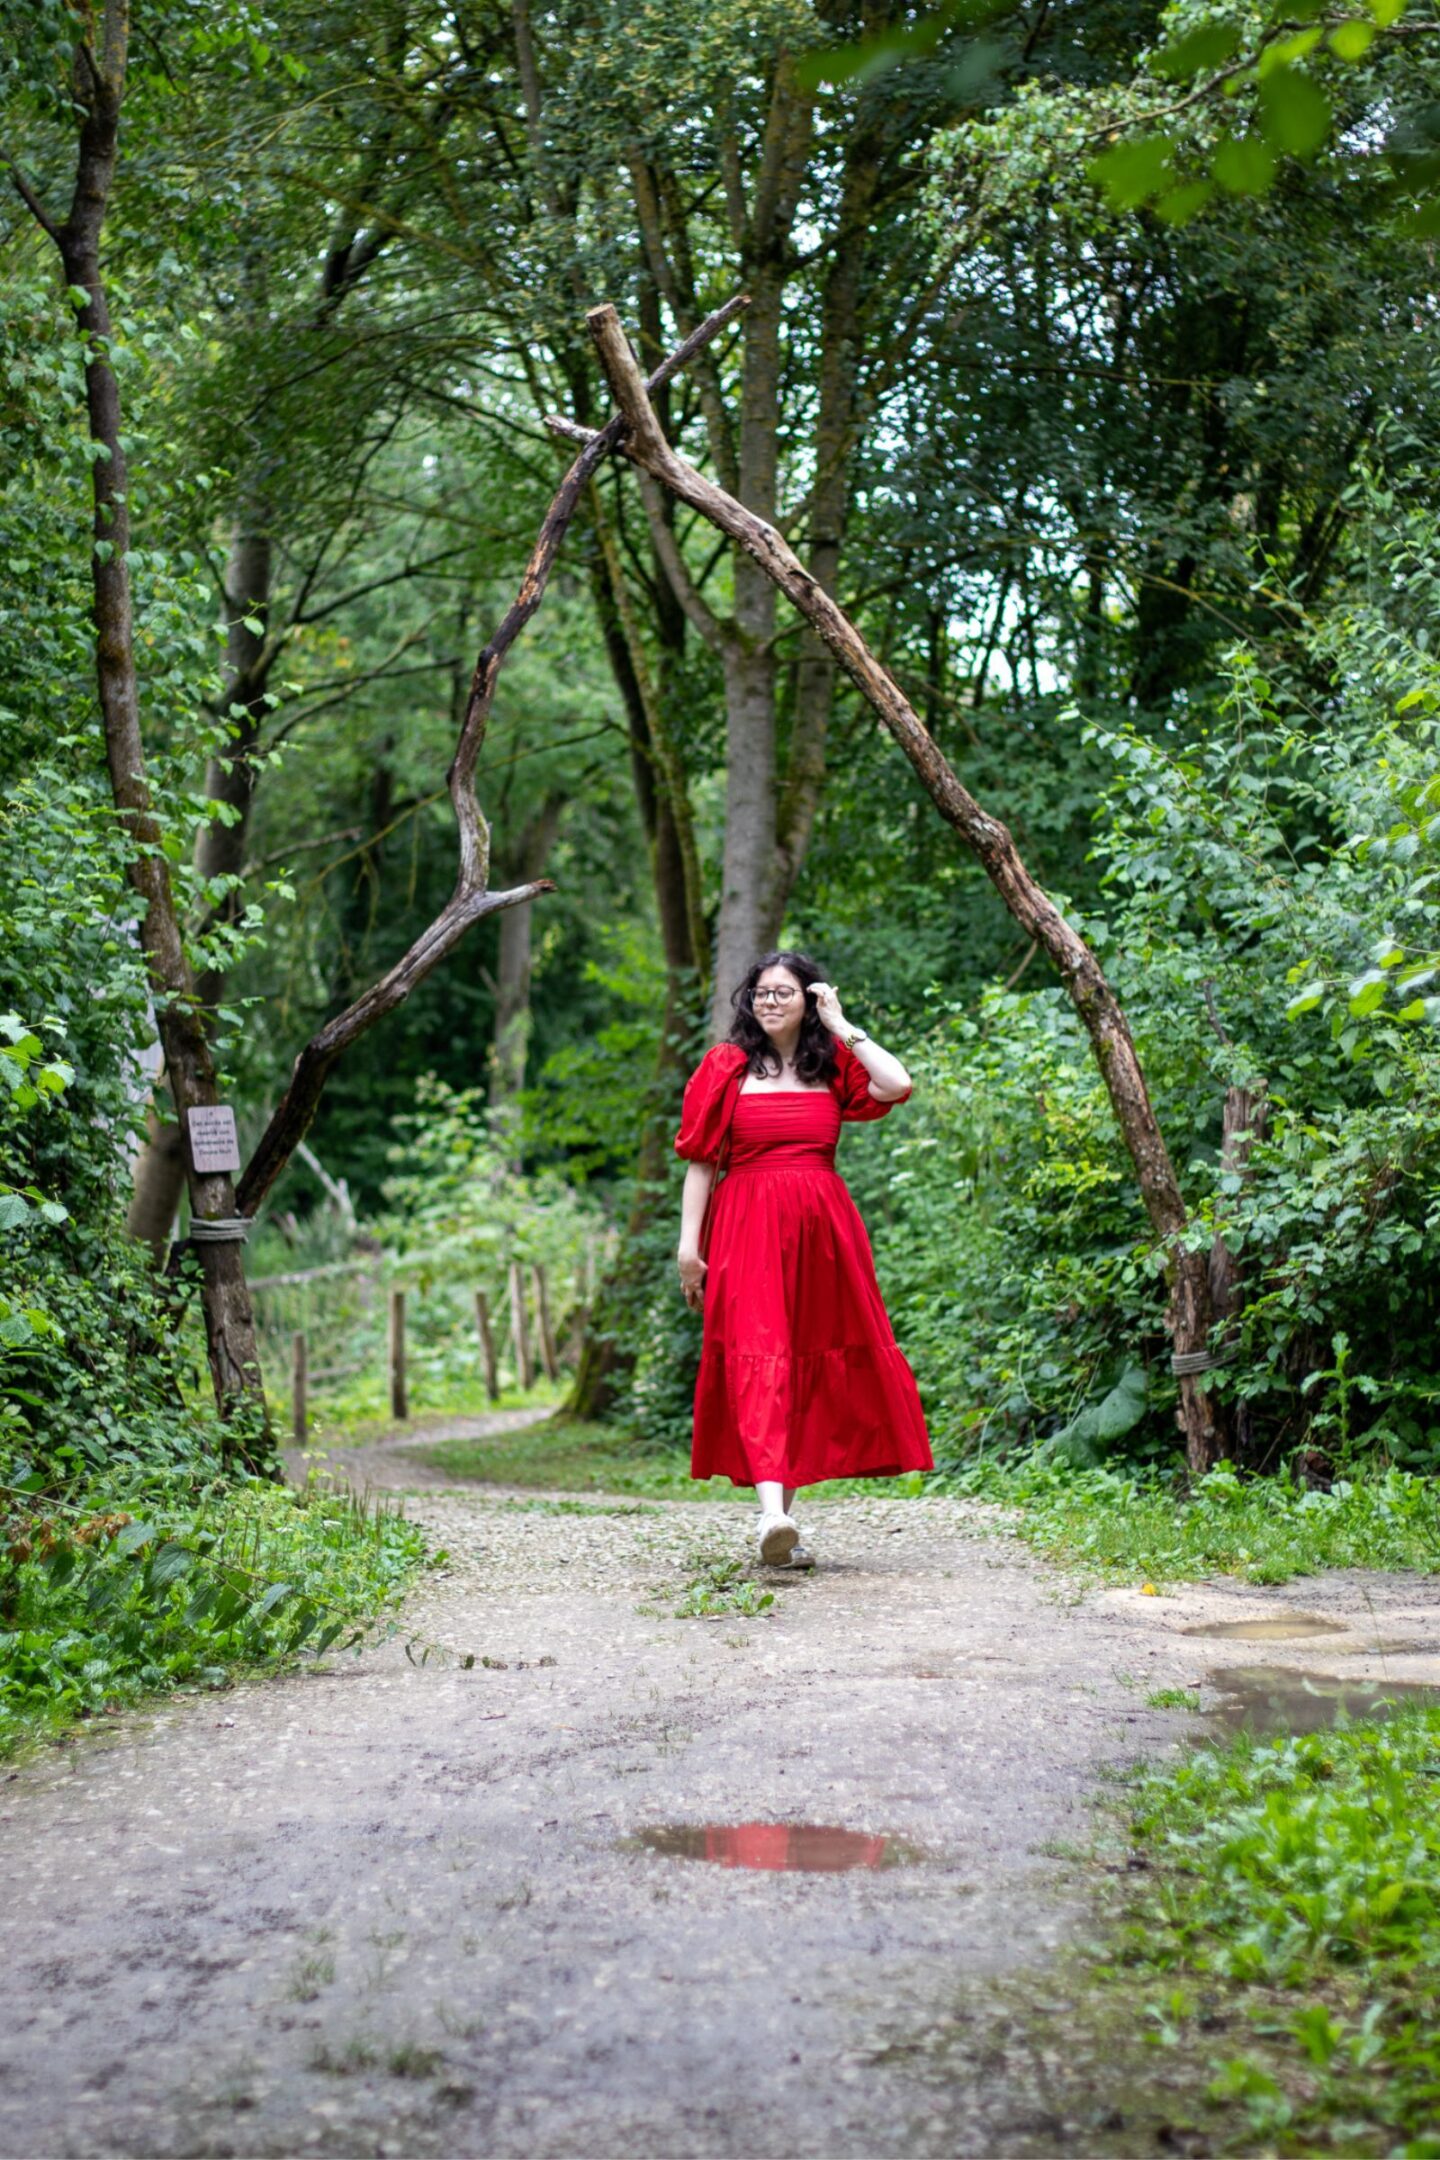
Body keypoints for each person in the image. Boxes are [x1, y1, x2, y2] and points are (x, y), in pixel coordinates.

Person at [674, 950, 933, 1566]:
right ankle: (770, 1514)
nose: (769, 1001)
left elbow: (895, 1084)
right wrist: (689, 1247)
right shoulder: (726, 1066)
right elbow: (701, 1161)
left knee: (801, 1359)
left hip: (824, 1234)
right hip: (745, 1227)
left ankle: (781, 1523)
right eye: (761, 992)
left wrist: (843, 1025)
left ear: (808, 999)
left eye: (784, 992)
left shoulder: (832, 1063)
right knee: (760, 1353)